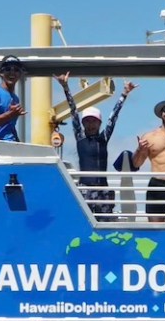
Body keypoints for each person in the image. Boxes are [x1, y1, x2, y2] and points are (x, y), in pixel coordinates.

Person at [57, 73, 137, 218]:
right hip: (84, 189)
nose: (90, 124)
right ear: (83, 124)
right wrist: (66, 88)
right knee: (82, 222)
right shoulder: (80, 138)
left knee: (105, 224)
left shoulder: (103, 138)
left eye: (94, 121)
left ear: (99, 123)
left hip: (103, 190)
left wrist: (124, 94)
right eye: (87, 121)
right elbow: (74, 112)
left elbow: (114, 116)